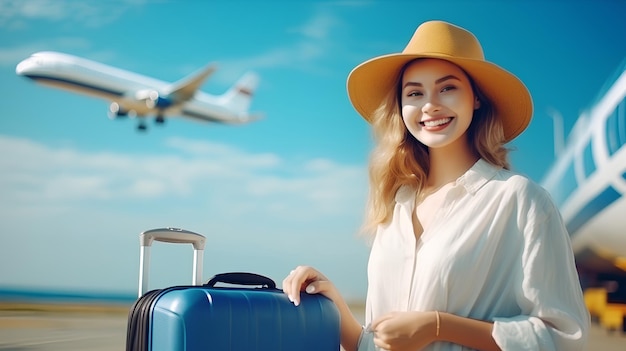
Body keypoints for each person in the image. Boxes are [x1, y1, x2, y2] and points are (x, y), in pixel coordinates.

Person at [282, 20, 590, 351]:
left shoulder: (519, 199)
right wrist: (333, 301)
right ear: (401, 107)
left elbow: (564, 337)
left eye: (447, 88)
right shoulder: (396, 206)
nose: (430, 105)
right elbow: (375, 342)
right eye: (414, 93)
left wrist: (439, 326)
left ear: (476, 99)